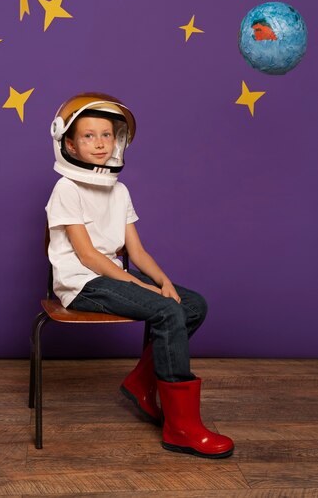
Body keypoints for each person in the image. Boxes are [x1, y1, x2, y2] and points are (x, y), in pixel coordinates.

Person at [46, 92, 234, 458]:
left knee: (192, 304)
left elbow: (137, 252)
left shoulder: (119, 191)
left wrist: (162, 281)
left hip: (110, 277)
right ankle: (181, 427)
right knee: (166, 312)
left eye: (106, 135)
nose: (100, 143)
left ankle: (142, 383)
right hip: (80, 284)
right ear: (68, 142)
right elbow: (85, 255)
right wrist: (133, 283)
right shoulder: (65, 189)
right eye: (88, 136)